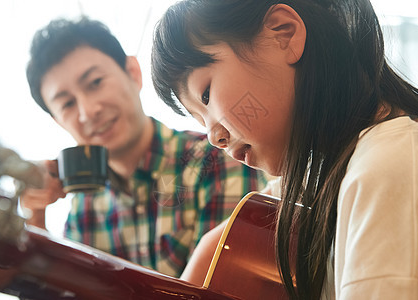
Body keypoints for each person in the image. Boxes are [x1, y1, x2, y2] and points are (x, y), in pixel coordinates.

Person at [151, 0, 418, 299]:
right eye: (198, 119)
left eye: (206, 94)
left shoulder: (392, 165)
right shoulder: (322, 177)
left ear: (283, 34)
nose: (213, 137)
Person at [21, 16, 268, 278]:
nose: (88, 111)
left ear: (133, 73)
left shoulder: (217, 160)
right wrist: (35, 220)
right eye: (67, 104)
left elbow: (221, 289)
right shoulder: (83, 209)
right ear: (57, 121)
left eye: (95, 83)